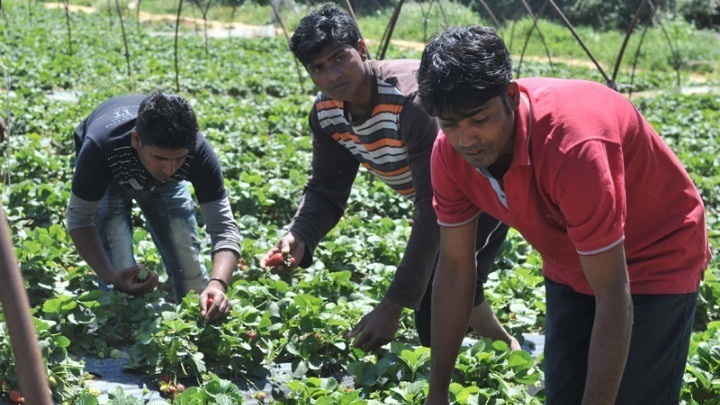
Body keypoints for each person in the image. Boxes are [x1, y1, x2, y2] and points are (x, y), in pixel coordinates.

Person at [416, 25, 711, 404]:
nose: (465, 139)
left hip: (656, 254)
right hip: (572, 260)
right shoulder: (449, 155)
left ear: (510, 95)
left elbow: (612, 292)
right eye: (450, 123)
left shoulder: (574, 148)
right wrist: (437, 392)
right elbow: (456, 268)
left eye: (479, 119)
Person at [260, 4, 519, 352]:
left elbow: (433, 206)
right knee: (461, 285)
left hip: (483, 186)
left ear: (362, 49)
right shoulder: (326, 113)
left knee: (438, 289)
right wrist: (300, 234)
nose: (332, 75)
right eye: (318, 68)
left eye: (339, 58)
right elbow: (327, 187)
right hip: (442, 200)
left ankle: (448, 383)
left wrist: (394, 303)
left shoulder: (409, 103)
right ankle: (506, 348)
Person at [66, 92, 242, 322]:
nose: (169, 168)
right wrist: (110, 276)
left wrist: (218, 284)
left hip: (166, 188)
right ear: (136, 139)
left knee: (191, 276)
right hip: (109, 178)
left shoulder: (197, 152)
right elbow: (80, 220)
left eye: (178, 159)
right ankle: (125, 327)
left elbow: (224, 228)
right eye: (160, 158)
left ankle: (191, 328)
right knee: (120, 280)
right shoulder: (100, 148)